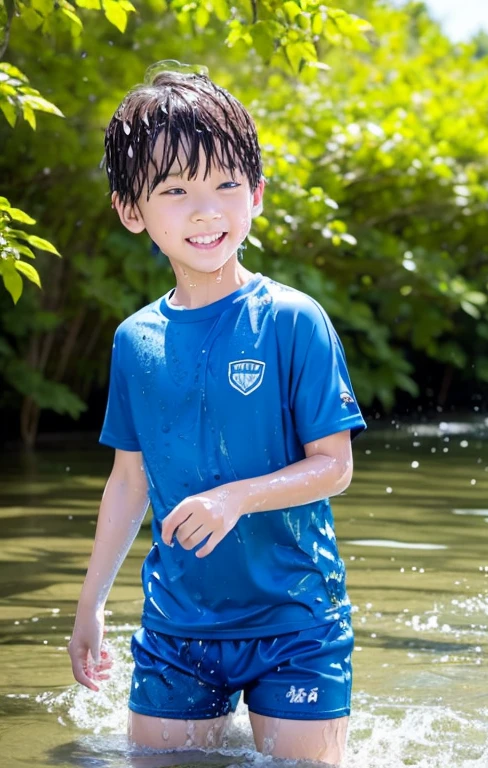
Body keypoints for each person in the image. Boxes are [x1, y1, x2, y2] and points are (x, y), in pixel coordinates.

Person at [67, 64, 365, 765]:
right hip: (178, 627)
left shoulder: (294, 320)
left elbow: (335, 467)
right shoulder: (134, 341)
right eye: (176, 190)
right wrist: (91, 604)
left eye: (227, 184)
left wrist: (237, 498)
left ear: (257, 195)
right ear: (131, 210)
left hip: (297, 621)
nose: (207, 211)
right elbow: (128, 481)